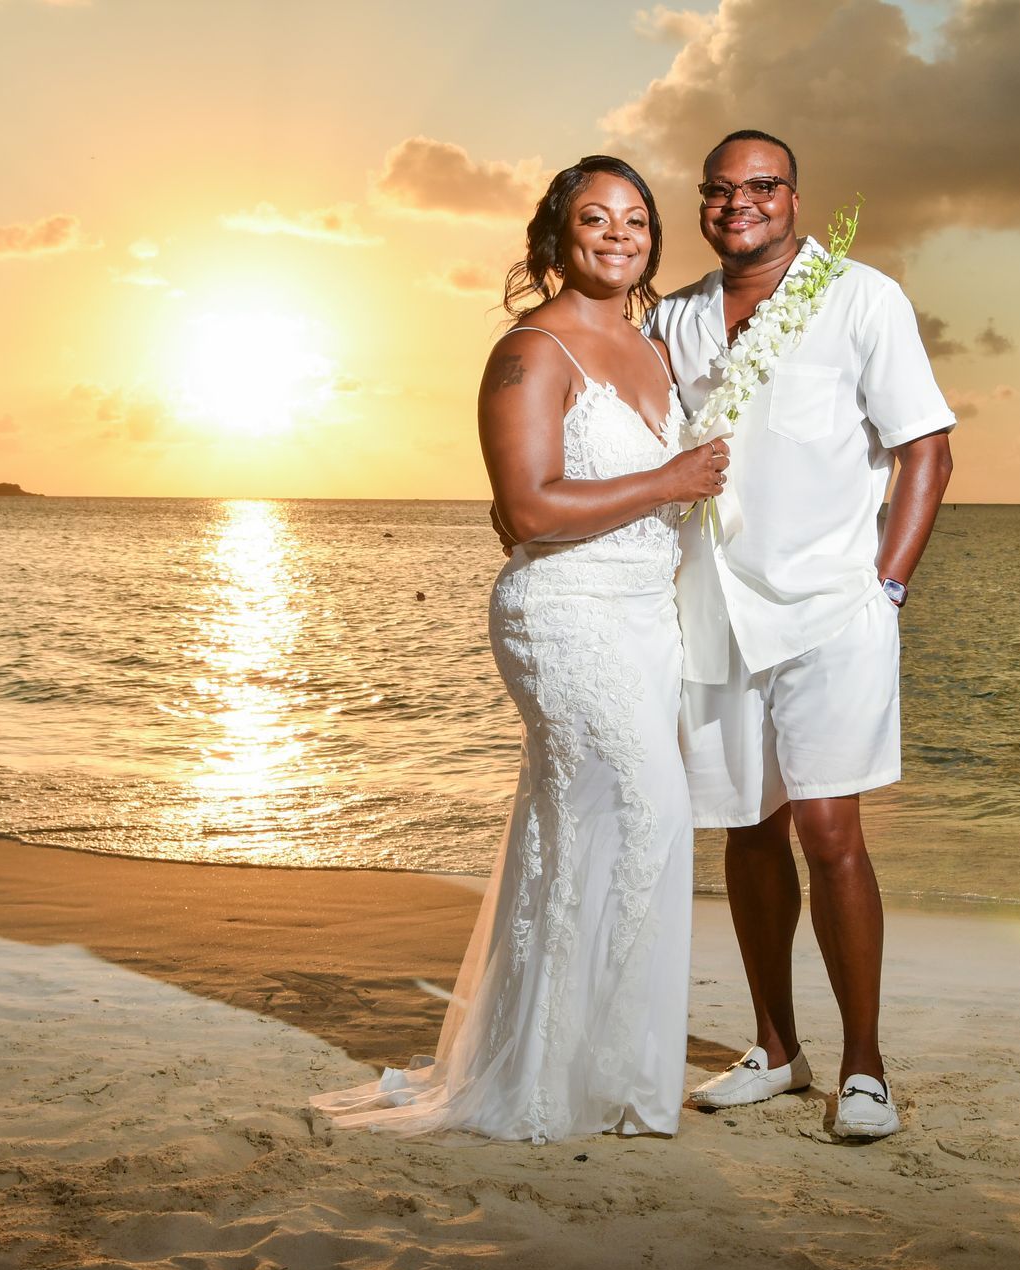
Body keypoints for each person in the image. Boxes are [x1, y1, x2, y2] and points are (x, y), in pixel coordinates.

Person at [310, 156, 729, 1143]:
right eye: (596, 217)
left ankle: (579, 1064)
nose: (619, 234)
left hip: (646, 613)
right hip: (564, 611)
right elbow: (530, 507)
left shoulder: (653, 345)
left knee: (590, 828)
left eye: (636, 219)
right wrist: (668, 481)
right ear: (558, 234)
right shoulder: (530, 352)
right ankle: (579, 1074)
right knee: (648, 808)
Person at [644, 130, 955, 1140]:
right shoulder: (677, 318)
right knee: (746, 829)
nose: (742, 204)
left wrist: (889, 586)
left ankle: (863, 1066)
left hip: (833, 608)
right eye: (722, 189)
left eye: (763, 187)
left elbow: (927, 450)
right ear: (703, 204)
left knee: (831, 831)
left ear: (794, 196)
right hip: (713, 607)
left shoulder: (862, 297)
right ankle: (777, 1048)